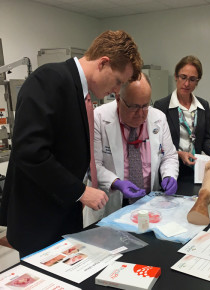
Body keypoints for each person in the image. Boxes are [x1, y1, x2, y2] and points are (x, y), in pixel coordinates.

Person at [0, 30, 143, 257]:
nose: (116, 90)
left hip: (64, 213)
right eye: (118, 81)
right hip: (40, 219)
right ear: (103, 63)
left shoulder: (80, 91)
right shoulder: (49, 79)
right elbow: (30, 152)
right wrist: (80, 191)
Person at [83, 73, 179, 226]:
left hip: (148, 205)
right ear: (118, 98)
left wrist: (169, 175)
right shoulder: (98, 118)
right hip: (113, 205)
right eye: (134, 107)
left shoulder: (158, 118)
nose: (140, 114)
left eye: (145, 106)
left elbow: (169, 156)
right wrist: (116, 183)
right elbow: (93, 166)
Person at [154, 55, 210, 178]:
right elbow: (157, 145)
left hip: (196, 169)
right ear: (176, 76)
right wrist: (179, 153)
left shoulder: (203, 106)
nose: (186, 83)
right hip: (170, 170)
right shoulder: (162, 106)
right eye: (183, 77)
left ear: (197, 81)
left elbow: (205, 138)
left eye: (192, 79)